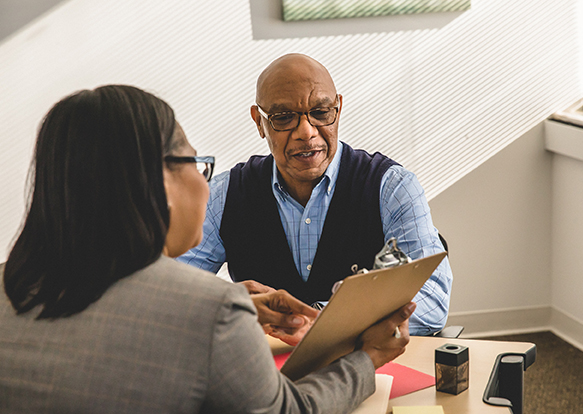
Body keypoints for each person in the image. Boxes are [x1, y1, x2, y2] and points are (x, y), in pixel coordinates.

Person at [0, 84, 415, 413]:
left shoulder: (10, 284)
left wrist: (233, 304)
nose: (205, 184)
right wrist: (368, 357)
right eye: (196, 165)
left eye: (319, 112)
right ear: (156, 183)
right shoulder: (211, 307)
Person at [178, 53, 453, 337]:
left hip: (369, 366)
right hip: (265, 372)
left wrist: (317, 321)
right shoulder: (224, 196)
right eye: (283, 118)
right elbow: (167, 293)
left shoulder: (392, 187)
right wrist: (226, 303)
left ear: (338, 109)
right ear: (259, 123)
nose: (306, 132)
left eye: (321, 113)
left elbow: (431, 301)